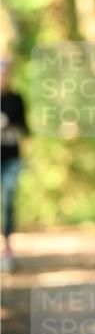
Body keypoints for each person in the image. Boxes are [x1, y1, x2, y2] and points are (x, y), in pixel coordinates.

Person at [1, 59, 29, 273]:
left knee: (8, 201)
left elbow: (25, 130)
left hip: (11, 159)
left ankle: (7, 248)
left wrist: (10, 126)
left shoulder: (16, 99)